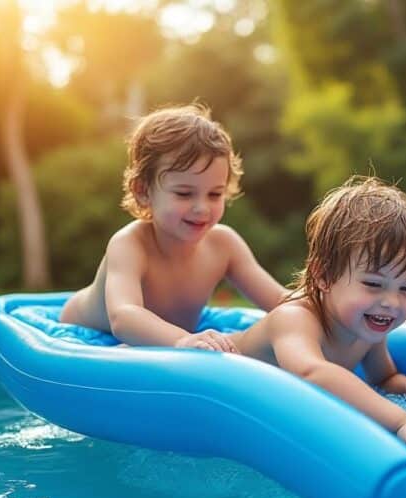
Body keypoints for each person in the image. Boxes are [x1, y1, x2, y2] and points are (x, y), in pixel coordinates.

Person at [227, 176, 406, 475]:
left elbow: (384, 377)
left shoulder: (367, 326)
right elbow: (312, 373)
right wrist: (402, 422)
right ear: (324, 276)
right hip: (210, 368)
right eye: (373, 284)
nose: (391, 302)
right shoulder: (293, 319)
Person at [60, 104, 286, 350]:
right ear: (143, 192)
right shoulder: (130, 244)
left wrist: (313, 307)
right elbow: (124, 316)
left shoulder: (224, 245)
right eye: (184, 193)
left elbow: (279, 300)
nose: (202, 208)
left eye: (214, 194)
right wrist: (181, 339)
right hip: (89, 331)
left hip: (170, 333)